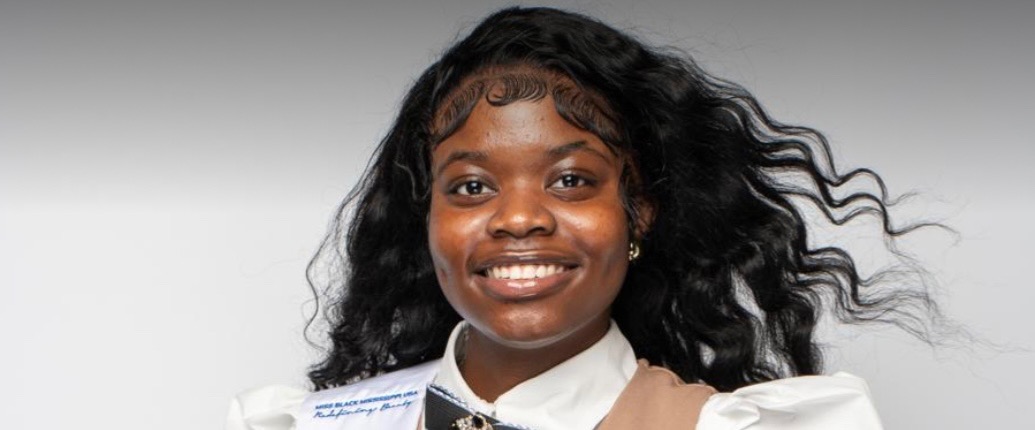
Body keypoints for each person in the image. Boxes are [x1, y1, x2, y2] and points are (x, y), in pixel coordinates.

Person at [227, 6, 933, 429]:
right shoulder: (308, 427)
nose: (518, 218)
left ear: (638, 212)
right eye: (471, 186)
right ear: (427, 219)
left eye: (571, 180)